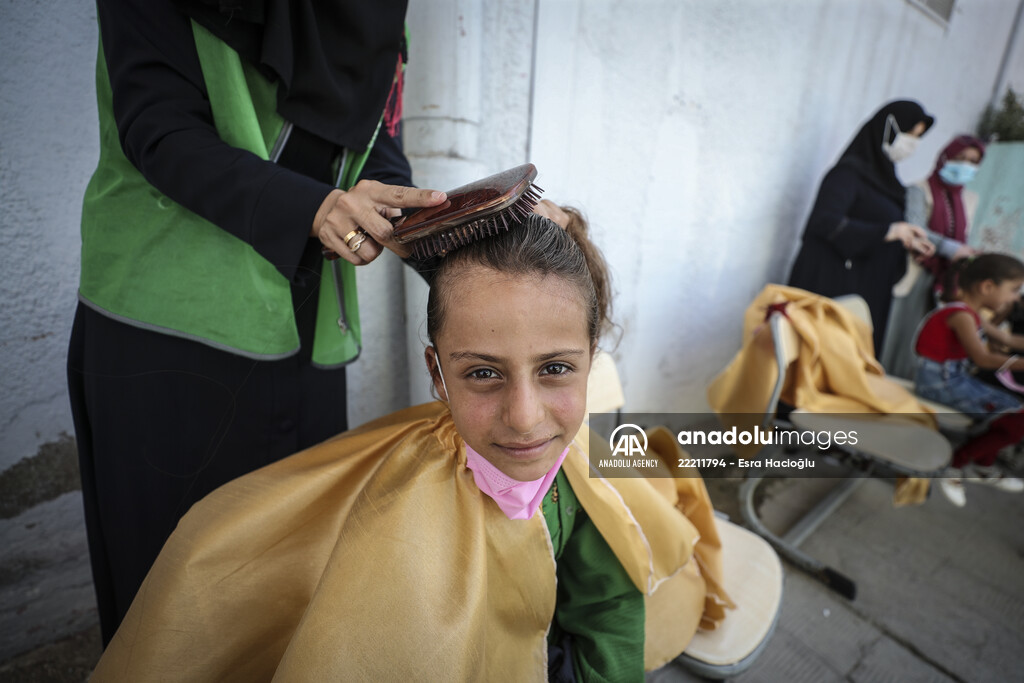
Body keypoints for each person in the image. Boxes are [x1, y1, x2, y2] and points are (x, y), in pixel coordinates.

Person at [89, 213, 732, 681]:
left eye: (556, 369)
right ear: (436, 372)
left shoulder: (584, 475)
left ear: (591, 359)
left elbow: (609, 603)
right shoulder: (399, 506)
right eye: (483, 373)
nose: (524, 418)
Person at [68, 0, 447, 645]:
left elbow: (376, 150)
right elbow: (160, 129)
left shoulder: (374, 12)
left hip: (305, 329)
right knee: (171, 613)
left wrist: (465, 231)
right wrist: (314, 209)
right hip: (170, 338)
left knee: (293, 587)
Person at [788, 100, 937, 352]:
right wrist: (889, 231)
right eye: (910, 134)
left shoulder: (889, 183)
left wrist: (907, 241)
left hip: (869, 290)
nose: (913, 143)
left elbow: (879, 225)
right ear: (888, 128)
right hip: (833, 288)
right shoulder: (846, 175)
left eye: (917, 137)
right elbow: (825, 222)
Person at [913, 254, 1024, 506]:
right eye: (1014, 290)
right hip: (939, 385)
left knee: (1015, 413)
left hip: (952, 380)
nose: (1015, 299)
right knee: (1016, 419)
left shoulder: (971, 313)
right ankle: (954, 463)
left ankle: (983, 467)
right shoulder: (961, 315)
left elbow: (1004, 341)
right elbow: (982, 359)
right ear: (987, 287)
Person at [881, 135, 987, 378]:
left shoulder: (970, 199)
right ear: (944, 157)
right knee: (896, 334)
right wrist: (953, 249)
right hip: (915, 270)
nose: (965, 165)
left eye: (973, 162)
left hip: (944, 278)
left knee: (921, 338)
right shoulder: (918, 189)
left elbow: (962, 235)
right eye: (960, 158)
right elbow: (916, 228)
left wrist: (966, 252)